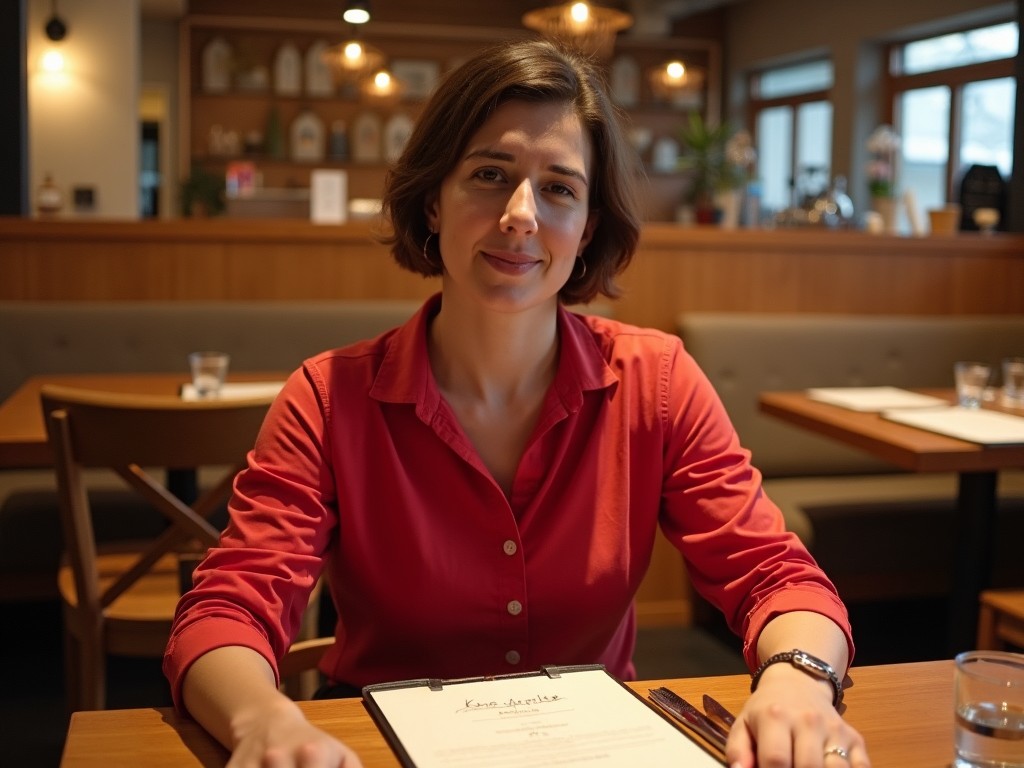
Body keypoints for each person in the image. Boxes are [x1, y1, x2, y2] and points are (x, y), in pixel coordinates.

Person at [164, 39, 870, 768]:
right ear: (434, 201)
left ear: (588, 226)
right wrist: (258, 718)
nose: (520, 214)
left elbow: (776, 576)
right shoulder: (328, 396)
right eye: (490, 175)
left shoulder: (657, 381)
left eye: (560, 188)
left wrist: (801, 680)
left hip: (600, 751)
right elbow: (228, 608)